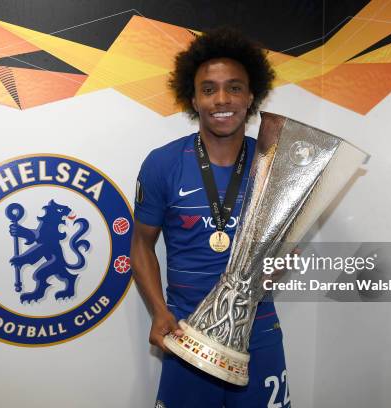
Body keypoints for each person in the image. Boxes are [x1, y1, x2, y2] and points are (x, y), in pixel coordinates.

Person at [131, 27, 290, 408]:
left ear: (251, 96)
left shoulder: (277, 167)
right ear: (193, 98)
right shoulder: (162, 163)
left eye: (234, 87)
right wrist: (158, 312)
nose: (222, 99)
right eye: (209, 88)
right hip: (185, 331)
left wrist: (280, 260)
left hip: (259, 331)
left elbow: (284, 249)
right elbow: (140, 245)